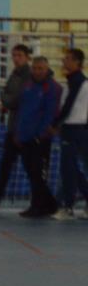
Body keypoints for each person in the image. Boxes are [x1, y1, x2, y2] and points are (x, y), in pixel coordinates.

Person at [14, 56, 61, 219]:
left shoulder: (52, 87)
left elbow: (50, 114)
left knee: (37, 174)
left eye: (40, 68)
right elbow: (22, 111)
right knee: (31, 173)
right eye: (35, 68)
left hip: (40, 139)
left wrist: (41, 135)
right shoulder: (28, 85)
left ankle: (39, 206)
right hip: (25, 137)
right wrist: (18, 133)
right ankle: (49, 204)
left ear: (47, 69)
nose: (37, 71)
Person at [0, 44, 32, 214]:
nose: (16, 58)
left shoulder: (29, 76)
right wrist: (7, 103)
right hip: (12, 127)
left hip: (26, 130)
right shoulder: (14, 75)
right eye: (14, 55)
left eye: (19, 55)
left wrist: (6, 101)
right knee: (5, 168)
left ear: (27, 57)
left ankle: (40, 203)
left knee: (32, 170)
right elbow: (8, 96)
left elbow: (15, 99)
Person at [54, 48, 87, 219]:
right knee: (73, 168)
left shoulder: (77, 82)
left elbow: (68, 106)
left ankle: (68, 207)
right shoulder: (74, 81)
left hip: (73, 128)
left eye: (67, 59)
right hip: (78, 129)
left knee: (68, 168)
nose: (64, 61)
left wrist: (55, 124)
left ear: (77, 62)